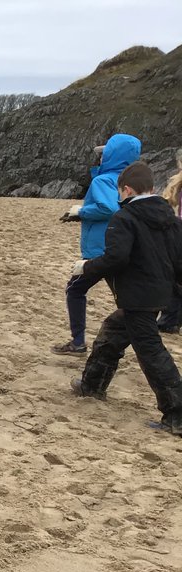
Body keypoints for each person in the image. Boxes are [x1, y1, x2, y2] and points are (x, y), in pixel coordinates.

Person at [69, 162, 182, 436]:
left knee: (151, 352)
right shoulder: (169, 217)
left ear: (127, 190)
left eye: (120, 192)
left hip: (138, 297)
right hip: (160, 293)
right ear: (152, 188)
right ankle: (92, 385)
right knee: (112, 334)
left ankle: (176, 414)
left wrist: (86, 267)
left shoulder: (125, 218)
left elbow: (117, 258)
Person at [52, 133, 141, 354]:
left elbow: (109, 209)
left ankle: (78, 342)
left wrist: (81, 211)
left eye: (104, 154)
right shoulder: (133, 182)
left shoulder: (102, 180)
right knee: (126, 301)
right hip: (124, 248)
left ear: (111, 156)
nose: (100, 159)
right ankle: (137, 342)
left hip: (98, 251)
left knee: (75, 290)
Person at [157, 148, 182, 335]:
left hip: (176, 236)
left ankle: (170, 320)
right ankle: (170, 320)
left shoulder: (177, 185)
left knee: (174, 279)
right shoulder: (177, 185)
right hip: (177, 236)